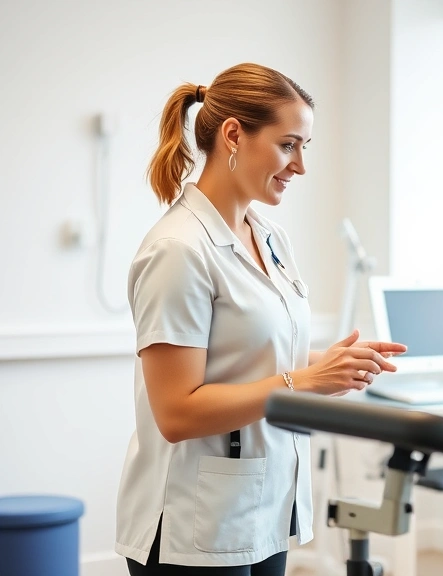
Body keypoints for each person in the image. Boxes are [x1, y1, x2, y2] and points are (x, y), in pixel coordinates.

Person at [114, 63, 407, 575]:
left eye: (304, 147)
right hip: (193, 521)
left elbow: (246, 355)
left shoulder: (268, 237)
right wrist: (303, 381)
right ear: (234, 135)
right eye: (288, 144)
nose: (300, 166)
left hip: (265, 504)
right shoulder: (178, 249)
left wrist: (328, 364)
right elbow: (176, 412)